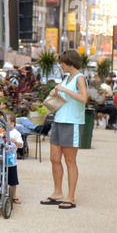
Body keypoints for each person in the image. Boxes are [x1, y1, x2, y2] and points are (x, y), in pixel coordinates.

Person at [40, 49, 88, 209]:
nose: (60, 65)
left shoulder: (80, 78)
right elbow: (64, 97)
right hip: (59, 121)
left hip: (72, 123)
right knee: (54, 158)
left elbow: (83, 98)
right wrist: (55, 91)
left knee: (70, 161)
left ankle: (71, 197)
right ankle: (57, 193)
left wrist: (65, 90)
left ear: (69, 63)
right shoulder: (67, 77)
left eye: (61, 62)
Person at [5, 112, 23, 204]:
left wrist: (15, 142)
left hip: (11, 160)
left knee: (13, 179)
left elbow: (20, 145)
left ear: (12, 124)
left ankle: (13, 195)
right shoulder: (0, 131)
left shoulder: (16, 133)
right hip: (0, 159)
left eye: (6, 121)